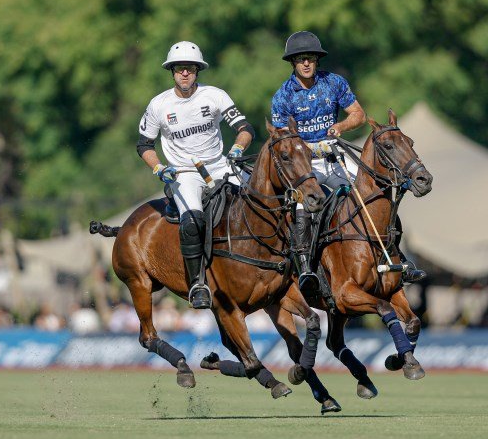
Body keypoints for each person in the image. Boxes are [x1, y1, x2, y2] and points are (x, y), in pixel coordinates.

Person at [268, 31, 424, 295]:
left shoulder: (334, 82)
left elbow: (359, 115)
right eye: (301, 59)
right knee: (302, 205)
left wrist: (340, 126)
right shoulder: (283, 96)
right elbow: (284, 140)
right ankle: (306, 269)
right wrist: (309, 147)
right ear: (292, 62)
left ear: (317, 60)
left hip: (335, 155)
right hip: (305, 166)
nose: (306, 63)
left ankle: (398, 257)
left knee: (375, 195)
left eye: (310, 58)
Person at [137, 41, 255, 309]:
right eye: (179, 69)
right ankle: (198, 284)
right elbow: (144, 145)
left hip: (220, 164)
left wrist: (238, 148)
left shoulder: (215, 96)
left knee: (261, 200)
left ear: (197, 71)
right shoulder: (158, 105)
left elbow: (245, 128)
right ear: (172, 72)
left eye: (190, 68)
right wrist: (158, 167)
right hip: (184, 172)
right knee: (191, 222)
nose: (185, 73)